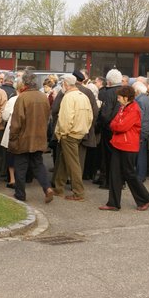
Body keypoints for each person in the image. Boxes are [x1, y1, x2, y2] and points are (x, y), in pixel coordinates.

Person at [99, 86, 149, 211]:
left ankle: (146, 199)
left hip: (128, 146)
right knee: (115, 173)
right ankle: (113, 203)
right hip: (118, 144)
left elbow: (121, 126)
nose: (118, 99)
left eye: (119, 97)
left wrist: (116, 124)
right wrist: (116, 124)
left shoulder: (134, 109)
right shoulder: (123, 107)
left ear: (126, 98)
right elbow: (114, 123)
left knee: (129, 173)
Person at [7, 71, 55, 203]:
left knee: (20, 167)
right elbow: (47, 117)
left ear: (25, 82)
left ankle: (20, 194)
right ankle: (47, 188)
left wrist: (13, 138)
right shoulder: (43, 97)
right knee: (38, 165)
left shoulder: (22, 97)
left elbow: (16, 122)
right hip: (39, 137)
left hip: (24, 138)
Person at [52, 74, 93, 202]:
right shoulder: (83, 96)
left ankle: (78, 192)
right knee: (65, 161)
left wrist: (62, 133)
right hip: (79, 133)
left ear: (65, 84)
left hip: (69, 133)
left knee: (73, 164)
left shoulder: (68, 97)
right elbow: (90, 116)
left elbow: (65, 118)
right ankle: (58, 188)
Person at [132, 81, 149, 183]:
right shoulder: (147, 98)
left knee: (140, 155)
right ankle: (141, 175)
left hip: (141, 130)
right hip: (146, 129)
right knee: (142, 154)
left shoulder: (139, 100)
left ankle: (140, 176)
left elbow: (139, 117)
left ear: (137, 91)